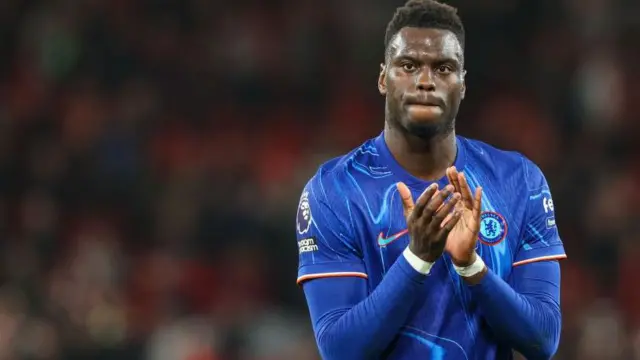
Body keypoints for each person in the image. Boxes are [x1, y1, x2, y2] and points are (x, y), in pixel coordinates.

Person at [294, 0, 566, 359]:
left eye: (443, 68)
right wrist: (417, 257)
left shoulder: (519, 181)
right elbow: (340, 350)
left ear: (462, 83)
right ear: (382, 78)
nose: (425, 81)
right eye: (408, 66)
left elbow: (543, 339)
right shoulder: (333, 191)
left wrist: (471, 266)